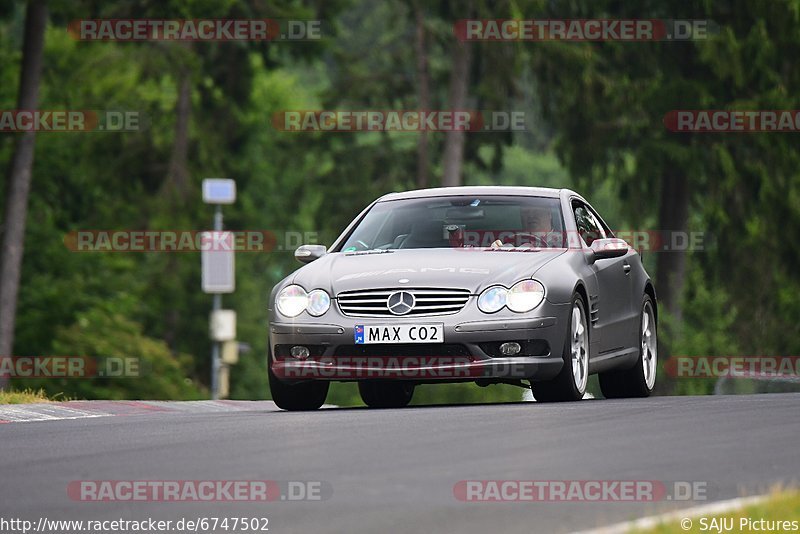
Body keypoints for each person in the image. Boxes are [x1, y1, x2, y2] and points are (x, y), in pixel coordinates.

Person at [490, 205, 559, 248]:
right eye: (526, 212)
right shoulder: (511, 241)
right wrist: (496, 250)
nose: (531, 216)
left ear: (549, 214)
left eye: (536, 211)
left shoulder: (565, 242)